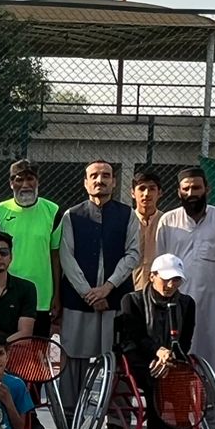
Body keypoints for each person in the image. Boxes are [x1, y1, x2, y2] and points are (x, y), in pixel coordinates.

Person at [57, 160, 140, 412]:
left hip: (116, 301)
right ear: (85, 182)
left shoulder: (128, 215)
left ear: (114, 182)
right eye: (94, 175)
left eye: (105, 175)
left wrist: (108, 288)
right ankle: (69, 414)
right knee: (73, 359)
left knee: (118, 360)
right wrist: (88, 293)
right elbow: (66, 258)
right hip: (78, 301)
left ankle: (117, 419)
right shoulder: (72, 215)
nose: (99, 180)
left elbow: (133, 254)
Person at [154, 166, 215, 389]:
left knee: (211, 365)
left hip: (212, 307)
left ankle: (213, 419)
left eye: (197, 187)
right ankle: (176, 415)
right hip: (175, 307)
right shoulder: (168, 222)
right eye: (186, 188)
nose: (192, 193)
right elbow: (160, 268)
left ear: (206, 189)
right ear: (179, 192)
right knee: (176, 359)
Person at [116, 253, 198, 429]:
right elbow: (133, 336)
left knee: (181, 376)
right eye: (166, 278)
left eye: (176, 279)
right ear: (152, 276)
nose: (170, 285)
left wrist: (170, 356)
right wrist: (157, 351)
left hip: (173, 357)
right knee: (158, 376)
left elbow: (185, 340)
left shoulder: (188, 303)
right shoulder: (131, 300)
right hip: (139, 357)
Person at [0, 160, 61, 334]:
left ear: (38, 181)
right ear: (11, 183)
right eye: (18, 180)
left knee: (35, 357)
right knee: (4, 353)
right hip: (5, 295)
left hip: (41, 298)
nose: (25, 185)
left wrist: (57, 295)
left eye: (30, 179)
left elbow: (55, 256)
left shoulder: (53, 211)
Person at [130, 169, 163, 291]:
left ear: (159, 193)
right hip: (129, 288)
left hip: (159, 289)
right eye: (141, 188)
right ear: (133, 193)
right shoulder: (125, 221)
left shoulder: (167, 222)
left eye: (152, 189)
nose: (146, 194)